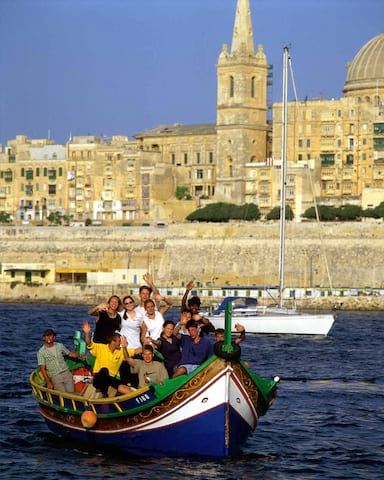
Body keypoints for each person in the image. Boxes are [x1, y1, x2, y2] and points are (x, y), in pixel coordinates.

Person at [82, 320, 141, 397]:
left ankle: (137, 398)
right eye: (119, 341)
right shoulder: (101, 348)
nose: (120, 343)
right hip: (99, 377)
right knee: (104, 371)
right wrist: (87, 333)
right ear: (113, 341)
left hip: (112, 379)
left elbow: (135, 351)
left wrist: (148, 345)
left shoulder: (120, 351)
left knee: (122, 387)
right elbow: (89, 343)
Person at [37, 328, 87, 392]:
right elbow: (42, 369)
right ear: (44, 338)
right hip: (55, 376)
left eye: (50, 336)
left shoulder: (60, 346)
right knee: (63, 394)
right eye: (46, 336)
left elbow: (69, 354)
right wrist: (48, 382)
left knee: (71, 393)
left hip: (66, 373)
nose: (48, 338)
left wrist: (80, 355)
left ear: (54, 337)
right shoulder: (41, 352)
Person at [119, 295, 143, 387]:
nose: (129, 304)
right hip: (124, 347)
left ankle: (136, 389)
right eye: (126, 303)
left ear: (133, 303)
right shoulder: (121, 314)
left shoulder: (140, 316)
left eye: (130, 302)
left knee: (135, 371)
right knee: (125, 371)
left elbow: (144, 330)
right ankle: (125, 390)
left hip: (136, 347)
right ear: (124, 305)